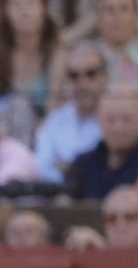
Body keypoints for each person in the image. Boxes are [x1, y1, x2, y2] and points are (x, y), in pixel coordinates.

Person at [64, 82, 138, 198]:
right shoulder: (82, 164)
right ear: (98, 120)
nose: (118, 128)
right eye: (110, 120)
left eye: (127, 119)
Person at [35, 39, 109, 180]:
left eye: (91, 74)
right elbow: (41, 168)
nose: (82, 83)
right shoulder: (56, 119)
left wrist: (65, 167)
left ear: (105, 77)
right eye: (74, 76)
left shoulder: (118, 118)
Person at [0, 0, 62, 116]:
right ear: (5, 13)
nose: (24, 10)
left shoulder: (58, 54)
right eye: (16, 4)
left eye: (31, 2)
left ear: (44, 9)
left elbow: (54, 108)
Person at [64, 182, 138, 250]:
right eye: (112, 219)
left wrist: (103, 251)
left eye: (130, 217)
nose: (120, 226)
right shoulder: (94, 246)